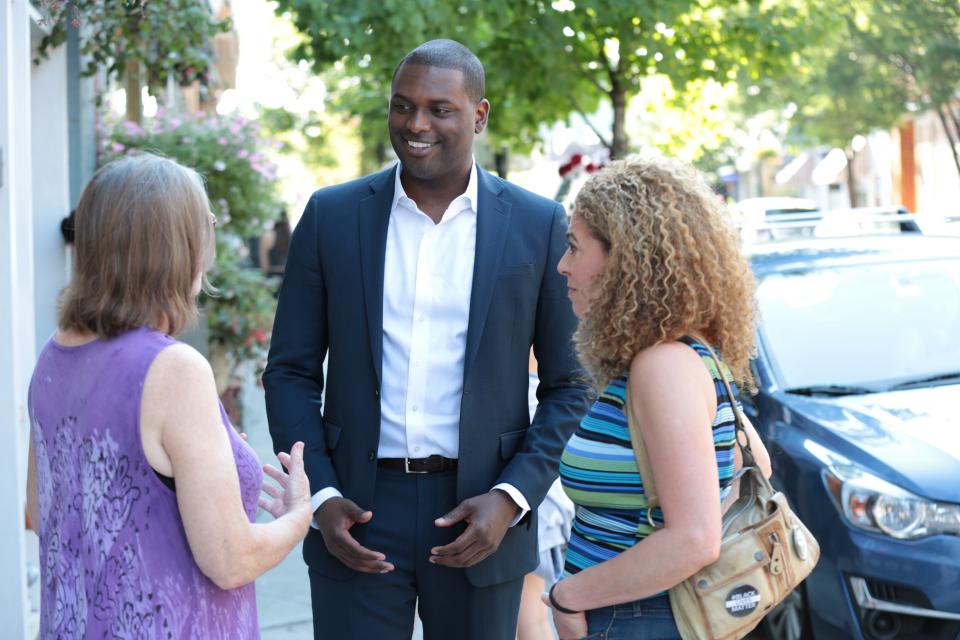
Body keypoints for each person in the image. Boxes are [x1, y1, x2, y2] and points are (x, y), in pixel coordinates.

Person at [263, 39, 591, 640]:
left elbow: (572, 383)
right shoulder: (332, 217)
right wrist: (321, 496)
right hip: (357, 513)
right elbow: (289, 371)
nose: (417, 124)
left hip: (479, 514)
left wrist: (513, 496)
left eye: (440, 109)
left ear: (479, 115)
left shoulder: (537, 224)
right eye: (402, 106)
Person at [25, 153, 312, 638]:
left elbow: (39, 511)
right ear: (174, 245)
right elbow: (230, 559)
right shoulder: (173, 370)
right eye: (206, 224)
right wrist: (299, 514)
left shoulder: (54, 356)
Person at [543, 156, 773, 639]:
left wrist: (569, 597)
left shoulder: (662, 365)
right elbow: (757, 466)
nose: (563, 266)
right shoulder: (687, 352)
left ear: (625, 258)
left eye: (574, 248)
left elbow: (694, 538)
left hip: (639, 618)